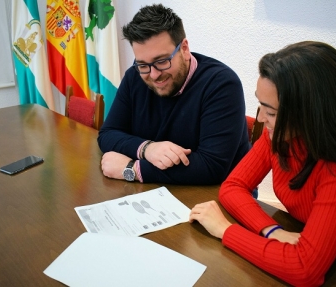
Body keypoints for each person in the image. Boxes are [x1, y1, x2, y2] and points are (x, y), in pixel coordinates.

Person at [189, 41, 336, 286]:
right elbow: (232, 187)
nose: (261, 118)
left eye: (271, 112)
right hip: (313, 237)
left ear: (310, 113)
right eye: (260, 105)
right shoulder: (279, 136)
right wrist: (273, 231)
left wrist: (224, 230)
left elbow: (305, 270)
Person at [98, 4, 250, 185]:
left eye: (161, 61)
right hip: (158, 190)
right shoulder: (134, 76)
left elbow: (212, 166)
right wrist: (147, 149)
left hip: (217, 194)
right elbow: (107, 134)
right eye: (143, 65)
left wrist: (133, 168)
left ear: (184, 49)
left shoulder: (222, 84)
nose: (153, 75)